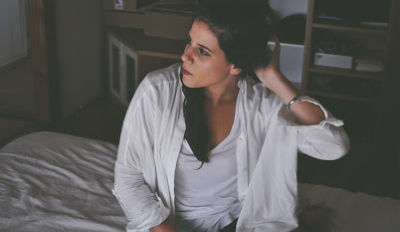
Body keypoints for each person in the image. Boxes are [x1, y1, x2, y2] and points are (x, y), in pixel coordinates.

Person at [113, 1, 350, 232]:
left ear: (235, 65)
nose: (186, 56)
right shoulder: (158, 90)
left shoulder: (260, 105)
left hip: (238, 222)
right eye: (190, 42)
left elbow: (333, 147)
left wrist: (274, 79)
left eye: (202, 51)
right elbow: (128, 180)